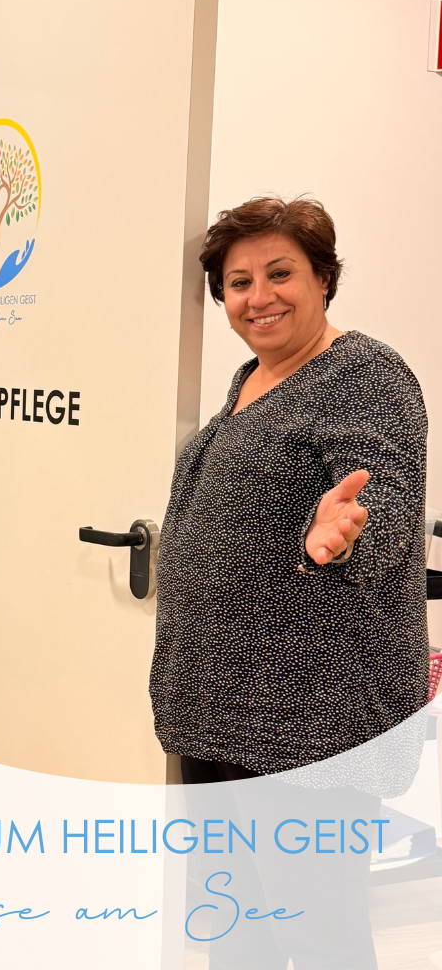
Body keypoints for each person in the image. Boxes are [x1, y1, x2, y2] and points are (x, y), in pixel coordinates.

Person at [150, 196, 429, 968]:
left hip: (308, 721)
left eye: (281, 274)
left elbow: (381, 501)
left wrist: (340, 538)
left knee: (319, 939)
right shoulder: (253, 378)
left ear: (323, 279)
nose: (258, 297)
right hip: (217, 708)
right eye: (239, 282)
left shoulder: (363, 375)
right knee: (237, 932)